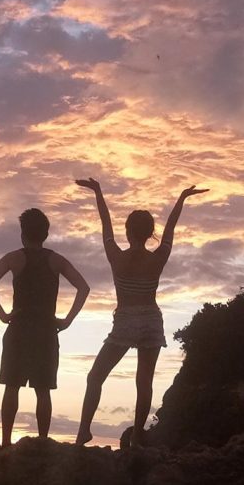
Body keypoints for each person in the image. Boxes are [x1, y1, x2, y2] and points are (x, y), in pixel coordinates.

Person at [74, 178, 207, 448]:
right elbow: (171, 229)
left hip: (125, 321)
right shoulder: (157, 258)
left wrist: (98, 191)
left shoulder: (116, 256)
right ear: (149, 233)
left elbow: (105, 225)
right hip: (150, 320)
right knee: (143, 382)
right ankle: (136, 438)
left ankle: (83, 433)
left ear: (128, 232)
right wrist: (181, 199)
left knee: (95, 377)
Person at [0, 208, 90, 447]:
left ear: (22, 233)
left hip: (19, 328)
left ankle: (7, 443)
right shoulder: (56, 260)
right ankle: (42, 443)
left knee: (12, 386)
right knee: (43, 389)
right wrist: (67, 319)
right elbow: (83, 287)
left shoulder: (14, 258)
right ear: (46, 234)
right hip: (45, 331)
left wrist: (3, 315)